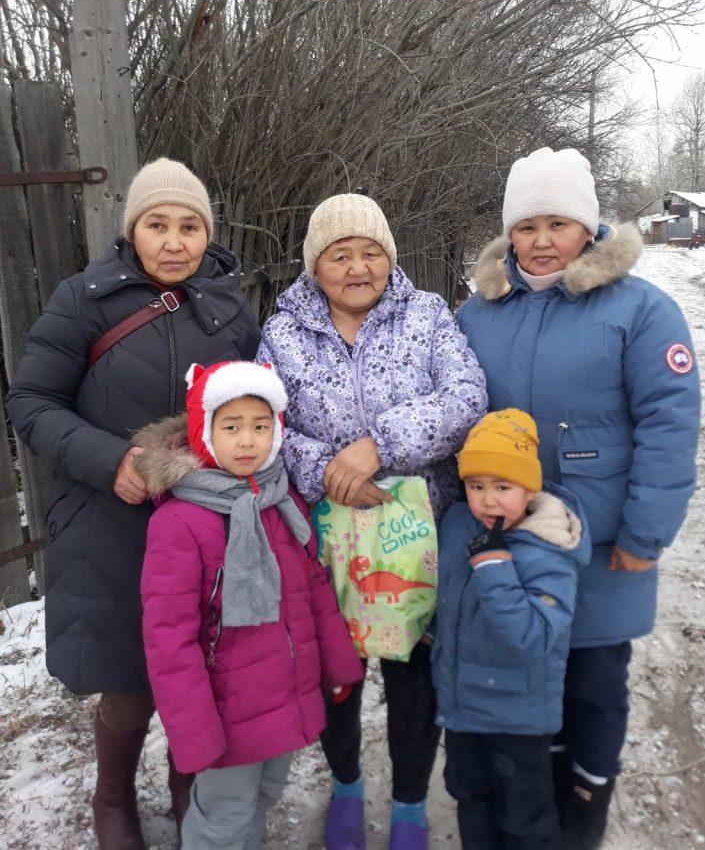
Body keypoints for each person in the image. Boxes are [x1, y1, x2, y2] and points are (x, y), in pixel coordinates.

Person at [7, 159, 260, 849]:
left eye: (189, 227)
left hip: (204, 523)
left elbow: (254, 405)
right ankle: (113, 795)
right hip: (109, 519)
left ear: (207, 233)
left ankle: (186, 783)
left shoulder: (230, 308)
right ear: (132, 230)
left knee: (200, 663)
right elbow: (31, 401)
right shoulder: (83, 300)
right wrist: (108, 460)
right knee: (129, 674)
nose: (174, 242)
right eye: (157, 225)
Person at [457, 147, 701, 849]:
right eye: (526, 225)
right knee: (532, 677)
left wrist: (645, 534)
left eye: (557, 224)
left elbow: (669, 424)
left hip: (601, 542)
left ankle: (587, 804)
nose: (540, 241)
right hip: (512, 540)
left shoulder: (641, 311)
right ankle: (537, 805)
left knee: (593, 682)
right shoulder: (479, 312)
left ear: (588, 228)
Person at [257, 193, 488, 850]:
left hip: (419, 537)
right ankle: (348, 786)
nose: (358, 268)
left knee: (415, 676)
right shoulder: (282, 335)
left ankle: (410, 802)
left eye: (370, 252)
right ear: (315, 265)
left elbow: (467, 397)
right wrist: (330, 471)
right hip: (328, 538)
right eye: (340, 255)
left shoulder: (427, 315)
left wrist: (379, 446)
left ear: (389, 256)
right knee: (338, 670)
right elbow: (266, 425)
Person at [137, 360, 364, 850]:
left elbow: (314, 588)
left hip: (286, 694)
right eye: (231, 427)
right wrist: (193, 730)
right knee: (224, 818)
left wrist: (338, 664)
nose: (247, 441)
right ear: (205, 432)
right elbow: (169, 640)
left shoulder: (282, 500)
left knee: (264, 797)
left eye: (260, 427)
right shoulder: (180, 523)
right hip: (225, 712)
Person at [432, 409, 589, 849]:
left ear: (529, 488)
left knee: (524, 818)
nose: (488, 500)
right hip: (462, 709)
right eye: (476, 486)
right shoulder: (458, 525)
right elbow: (448, 594)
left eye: (503, 487)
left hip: (518, 720)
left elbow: (532, 637)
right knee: (469, 798)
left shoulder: (549, 549)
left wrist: (494, 567)